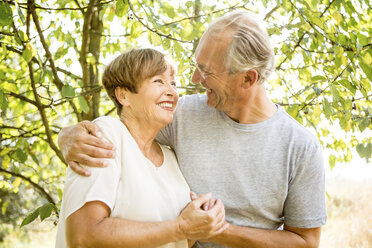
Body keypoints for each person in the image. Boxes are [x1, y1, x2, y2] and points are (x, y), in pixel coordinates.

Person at [58, 11, 327, 248]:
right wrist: (68, 136)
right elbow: (129, 127)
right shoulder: (182, 116)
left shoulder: (300, 147)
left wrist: (219, 230)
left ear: (248, 78)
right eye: (196, 66)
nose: (195, 80)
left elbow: (305, 242)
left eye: (207, 71)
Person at [55, 48, 227, 248]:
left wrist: (200, 221)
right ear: (123, 96)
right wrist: (181, 227)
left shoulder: (170, 159)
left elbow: (175, 242)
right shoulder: (106, 136)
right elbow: (84, 236)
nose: (171, 91)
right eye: (158, 81)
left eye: (173, 83)